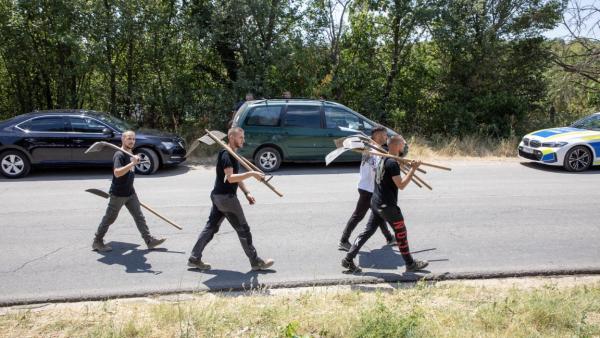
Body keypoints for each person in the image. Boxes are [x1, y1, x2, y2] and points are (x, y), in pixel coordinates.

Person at [188, 127, 275, 271]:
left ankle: (194, 258)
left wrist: (247, 192)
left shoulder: (233, 154)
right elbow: (230, 178)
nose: (243, 140)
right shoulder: (226, 154)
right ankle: (255, 262)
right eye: (241, 137)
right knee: (243, 230)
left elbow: (236, 178)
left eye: (243, 137)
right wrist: (252, 173)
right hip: (226, 199)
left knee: (210, 228)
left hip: (218, 196)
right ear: (232, 137)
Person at [342, 135, 428, 273]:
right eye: (403, 144)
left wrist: (405, 164)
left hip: (376, 203)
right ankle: (410, 264)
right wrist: (413, 169)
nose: (404, 147)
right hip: (387, 206)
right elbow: (401, 185)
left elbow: (390, 171)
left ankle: (348, 260)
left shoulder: (383, 158)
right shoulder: (392, 163)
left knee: (367, 232)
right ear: (397, 146)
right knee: (401, 233)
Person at [92, 131, 166, 252]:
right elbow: (117, 173)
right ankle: (97, 241)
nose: (131, 141)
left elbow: (130, 174)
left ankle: (149, 240)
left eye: (133, 139)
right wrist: (132, 163)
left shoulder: (130, 153)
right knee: (109, 218)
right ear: (123, 140)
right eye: (128, 139)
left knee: (139, 217)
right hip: (118, 194)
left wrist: (133, 162)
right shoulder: (119, 155)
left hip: (130, 193)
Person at [338, 126, 395, 251]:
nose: (386, 137)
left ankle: (389, 238)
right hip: (367, 189)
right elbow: (377, 167)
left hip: (370, 188)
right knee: (358, 215)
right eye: (384, 135)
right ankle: (343, 240)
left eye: (386, 135)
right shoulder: (371, 149)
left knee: (378, 215)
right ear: (377, 136)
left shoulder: (377, 149)